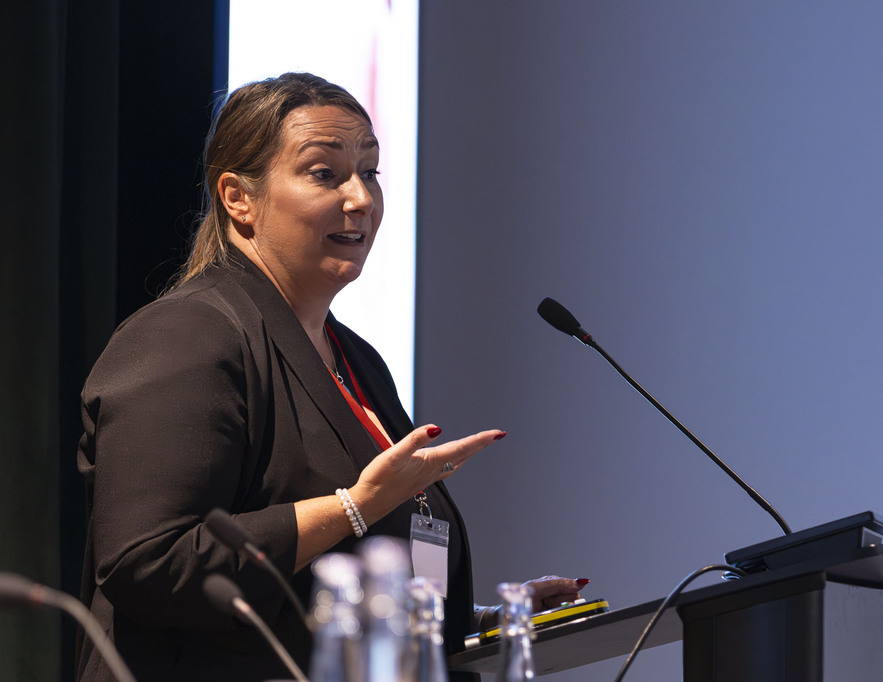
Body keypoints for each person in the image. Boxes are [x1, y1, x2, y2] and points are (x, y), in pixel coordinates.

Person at [76, 72, 586, 682]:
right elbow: (150, 564)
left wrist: (479, 621)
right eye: (325, 174)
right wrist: (354, 507)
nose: (361, 198)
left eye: (370, 171)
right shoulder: (186, 336)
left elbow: (316, 592)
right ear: (238, 198)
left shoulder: (356, 358)